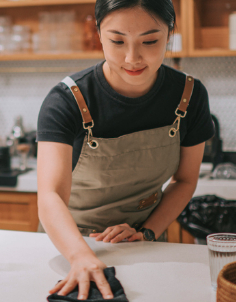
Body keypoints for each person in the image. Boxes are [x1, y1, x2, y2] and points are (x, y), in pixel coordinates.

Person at [36, 0, 214, 299]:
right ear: (99, 33)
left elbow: (185, 181)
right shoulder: (66, 100)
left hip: (145, 241)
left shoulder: (189, 95)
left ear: (170, 33)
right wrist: (80, 255)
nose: (133, 57)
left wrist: (146, 232)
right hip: (71, 244)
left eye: (150, 41)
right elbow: (50, 195)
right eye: (117, 41)